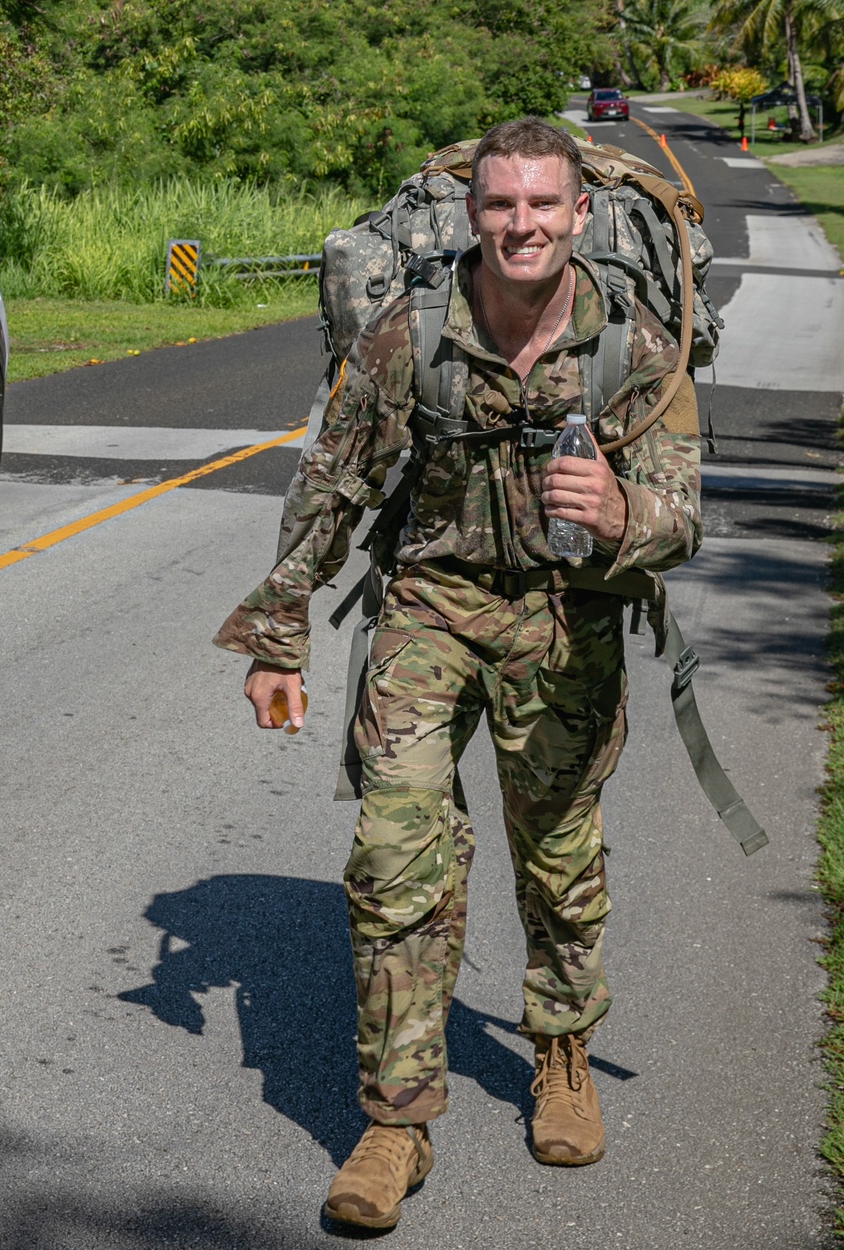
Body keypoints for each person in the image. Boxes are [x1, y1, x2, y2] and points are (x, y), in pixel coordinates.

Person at [214, 118, 702, 1230]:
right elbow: (330, 485)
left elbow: (684, 516)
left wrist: (627, 512)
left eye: (542, 204)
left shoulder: (634, 344)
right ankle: (395, 1119)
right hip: (431, 605)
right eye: (500, 205)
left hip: (568, 618)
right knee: (393, 851)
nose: (521, 224)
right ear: (472, 212)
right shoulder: (407, 333)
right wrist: (279, 633)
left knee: (559, 851)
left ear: (579, 214)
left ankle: (561, 1047)